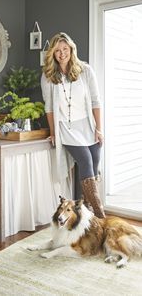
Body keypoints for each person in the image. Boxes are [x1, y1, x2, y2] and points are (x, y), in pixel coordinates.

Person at [41, 32, 105, 218]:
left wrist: (99, 128)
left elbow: (95, 101)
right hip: (66, 128)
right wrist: (53, 132)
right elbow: (49, 108)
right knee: (85, 160)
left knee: (94, 164)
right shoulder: (48, 76)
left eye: (65, 49)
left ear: (71, 49)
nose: (62, 54)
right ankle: (101, 216)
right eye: (58, 50)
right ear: (52, 53)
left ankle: (86, 215)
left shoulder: (85, 70)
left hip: (88, 125)